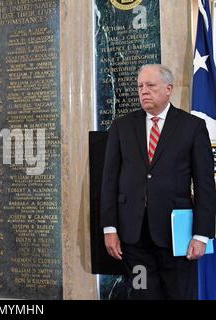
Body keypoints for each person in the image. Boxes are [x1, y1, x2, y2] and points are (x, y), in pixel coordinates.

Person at [100, 64, 216, 299]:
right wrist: (110, 228)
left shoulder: (192, 127)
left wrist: (201, 235)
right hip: (134, 239)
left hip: (177, 240)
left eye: (150, 86)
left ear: (168, 89)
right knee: (143, 294)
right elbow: (109, 181)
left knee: (179, 295)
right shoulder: (122, 127)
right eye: (140, 86)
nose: (144, 91)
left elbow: (205, 185)